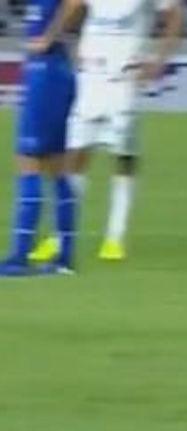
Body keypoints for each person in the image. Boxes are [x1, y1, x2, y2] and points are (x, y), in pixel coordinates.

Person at [28, 0, 186, 263]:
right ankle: (60, 236)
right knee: (75, 154)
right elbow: (73, 5)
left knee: (123, 155)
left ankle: (115, 237)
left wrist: (159, 59)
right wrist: (50, 37)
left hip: (124, 76)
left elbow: (176, 14)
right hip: (90, 75)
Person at [0, 0, 76, 276]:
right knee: (55, 167)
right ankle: (64, 259)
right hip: (45, 71)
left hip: (47, 73)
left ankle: (20, 257)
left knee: (29, 162)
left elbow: (75, 2)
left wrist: (48, 38)